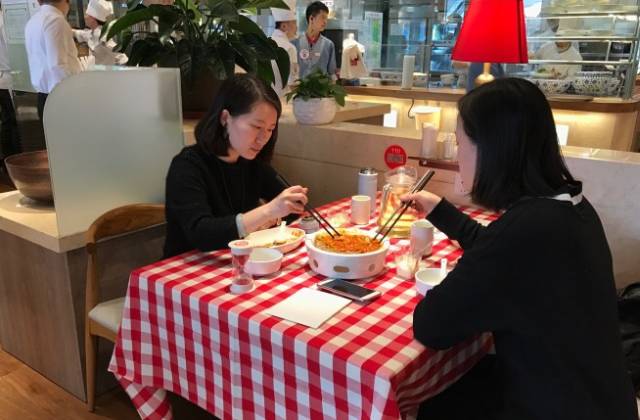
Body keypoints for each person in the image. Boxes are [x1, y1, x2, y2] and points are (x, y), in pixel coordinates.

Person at [404, 78, 637, 420]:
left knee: (426, 401)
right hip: (602, 399)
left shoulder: (524, 231)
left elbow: (431, 325)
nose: (457, 154)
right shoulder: (570, 206)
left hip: (555, 409)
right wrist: (440, 210)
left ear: (490, 150)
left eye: (459, 141)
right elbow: (500, 249)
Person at [164, 74, 308, 257]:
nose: (263, 138)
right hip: (186, 264)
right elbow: (201, 233)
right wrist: (267, 212)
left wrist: (274, 214)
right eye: (256, 126)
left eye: (270, 129)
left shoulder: (251, 161)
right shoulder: (187, 166)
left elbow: (292, 208)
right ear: (225, 118)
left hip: (238, 260)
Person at [25, 0, 83, 120]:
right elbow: (58, 65)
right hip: (61, 98)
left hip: (43, 97)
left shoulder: (33, 20)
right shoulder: (55, 20)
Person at [72, 0, 128, 66]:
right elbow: (79, 33)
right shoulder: (92, 33)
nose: (85, 17)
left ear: (93, 19)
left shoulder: (103, 37)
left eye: (87, 15)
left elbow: (121, 57)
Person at [292, 1, 336, 80]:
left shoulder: (329, 45)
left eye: (326, 18)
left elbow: (332, 74)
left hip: (322, 88)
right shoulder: (294, 44)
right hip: (300, 87)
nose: (325, 22)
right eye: (323, 17)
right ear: (311, 18)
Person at [0, 5, 21, 165]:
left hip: (3, 77)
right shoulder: (3, 21)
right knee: (11, 121)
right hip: (6, 77)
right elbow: (12, 48)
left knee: (6, 119)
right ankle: (14, 158)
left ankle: (8, 159)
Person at [270, 0, 298, 97]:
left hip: (264, 97)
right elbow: (293, 82)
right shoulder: (290, 48)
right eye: (294, 23)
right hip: (282, 99)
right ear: (284, 26)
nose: (296, 27)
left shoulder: (265, 43)